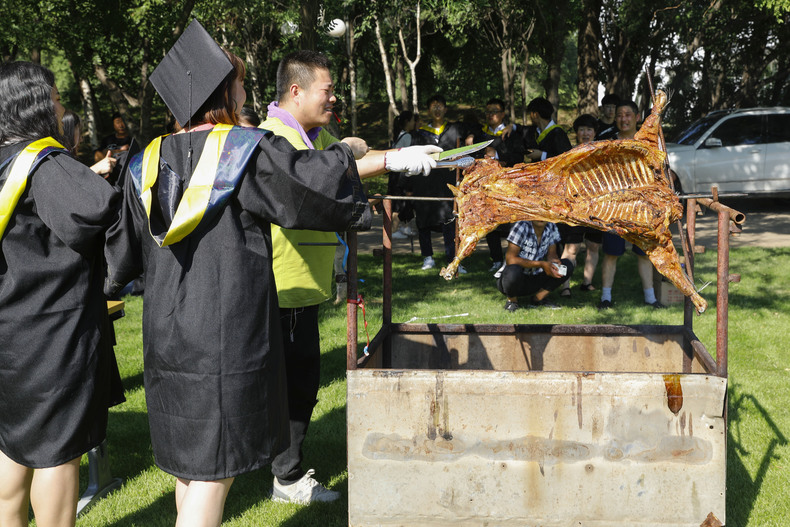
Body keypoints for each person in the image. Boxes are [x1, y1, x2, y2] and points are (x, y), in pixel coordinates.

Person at [104, 24, 438, 525]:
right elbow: (308, 185)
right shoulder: (243, 150)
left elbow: (120, 258)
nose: (244, 92)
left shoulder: (148, 161)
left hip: (165, 336)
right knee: (215, 471)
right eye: (238, 84)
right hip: (225, 336)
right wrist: (371, 156)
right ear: (221, 93)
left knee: (189, 468)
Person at [260, 50, 439, 505]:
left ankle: (280, 472)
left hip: (301, 288)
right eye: (328, 89)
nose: (334, 97)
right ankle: (284, 478)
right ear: (296, 90)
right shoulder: (276, 137)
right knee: (284, 388)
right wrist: (391, 161)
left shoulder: (315, 136)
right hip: (275, 286)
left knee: (299, 384)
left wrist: (396, 155)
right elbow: (312, 184)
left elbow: (339, 168)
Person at [0, 61, 123, 527]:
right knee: (57, 452)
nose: (60, 107)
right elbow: (97, 213)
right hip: (52, 336)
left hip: (10, 332)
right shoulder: (43, 164)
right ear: (33, 103)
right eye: (54, 98)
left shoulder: (2, 160)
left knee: (12, 443)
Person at [596, 100, 665, 310]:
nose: (623, 119)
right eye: (619, 115)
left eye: (627, 114)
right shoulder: (607, 141)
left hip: (641, 206)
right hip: (614, 206)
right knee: (611, 253)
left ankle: (650, 299)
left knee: (644, 252)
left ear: (637, 117)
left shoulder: (648, 141)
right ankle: (605, 298)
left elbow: (658, 171)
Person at [406, 94, 469, 272]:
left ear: (446, 109)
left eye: (440, 105)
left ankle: (454, 259)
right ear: (428, 110)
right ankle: (428, 257)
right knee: (423, 221)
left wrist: (470, 136)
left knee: (451, 221)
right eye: (433, 105)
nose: (437, 108)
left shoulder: (455, 130)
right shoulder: (418, 134)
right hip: (424, 183)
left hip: (447, 184)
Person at [467, 97, 527, 273]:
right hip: (486, 185)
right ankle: (496, 258)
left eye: (495, 111)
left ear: (502, 114)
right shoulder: (480, 136)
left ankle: (511, 257)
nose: (491, 115)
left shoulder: (512, 135)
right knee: (490, 220)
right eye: (488, 112)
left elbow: (519, 158)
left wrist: (497, 155)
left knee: (509, 222)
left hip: (508, 185)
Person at [557, 113, 603, 297]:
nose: (585, 133)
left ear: (594, 132)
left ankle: (587, 282)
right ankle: (564, 285)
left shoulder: (601, 153)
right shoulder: (569, 154)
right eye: (582, 129)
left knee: (593, 246)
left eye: (589, 129)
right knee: (571, 249)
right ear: (576, 132)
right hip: (574, 209)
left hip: (597, 208)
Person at [496, 220, 575, 311]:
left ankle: (538, 299)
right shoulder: (521, 226)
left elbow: (551, 254)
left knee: (567, 265)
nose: (540, 218)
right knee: (513, 270)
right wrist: (541, 264)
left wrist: (554, 262)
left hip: (533, 277)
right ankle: (512, 302)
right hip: (510, 280)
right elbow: (510, 259)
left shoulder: (551, 226)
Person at [61, 109, 118, 178]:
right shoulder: (56, 161)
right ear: (67, 134)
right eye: (79, 133)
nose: (81, 139)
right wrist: (96, 169)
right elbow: (68, 185)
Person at [390, 110, 418, 240]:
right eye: (412, 120)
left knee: (400, 202)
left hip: (394, 173)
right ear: (407, 122)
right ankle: (393, 230)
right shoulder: (407, 136)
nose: (414, 123)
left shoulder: (399, 135)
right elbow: (407, 156)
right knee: (398, 203)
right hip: (400, 174)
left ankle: (401, 227)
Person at [524, 97, 572, 162]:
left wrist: (542, 155)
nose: (530, 117)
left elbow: (566, 158)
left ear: (536, 115)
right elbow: (522, 129)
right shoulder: (536, 131)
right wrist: (512, 126)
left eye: (530, 114)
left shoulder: (558, 133)